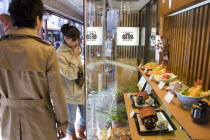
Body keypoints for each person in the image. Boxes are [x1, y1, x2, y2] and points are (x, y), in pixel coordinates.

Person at [0, 0, 68, 140]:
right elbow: (56, 92)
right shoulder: (46, 50)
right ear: (37, 19)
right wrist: (62, 123)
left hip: (9, 119)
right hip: (40, 119)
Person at [56, 24, 86, 140]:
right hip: (69, 94)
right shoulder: (59, 54)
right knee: (71, 120)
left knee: (85, 115)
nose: (76, 41)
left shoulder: (74, 50)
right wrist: (75, 56)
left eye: (77, 38)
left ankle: (81, 134)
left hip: (80, 89)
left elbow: (79, 69)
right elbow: (70, 74)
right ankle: (72, 137)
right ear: (65, 38)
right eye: (73, 39)